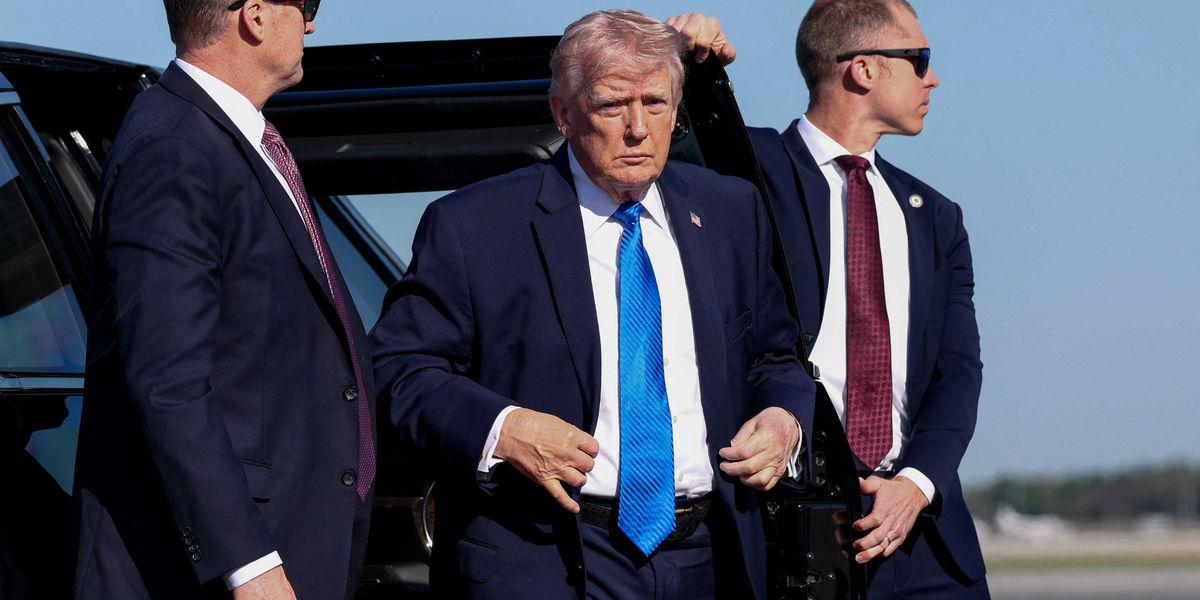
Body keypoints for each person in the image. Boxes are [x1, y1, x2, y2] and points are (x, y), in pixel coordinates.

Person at [370, 9, 815, 599]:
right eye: (611, 106)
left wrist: (784, 421)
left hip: (711, 558)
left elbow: (775, 357)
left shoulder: (731, 211)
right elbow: (397, 370)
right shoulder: (474, 225)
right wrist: (505, 429)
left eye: (654, 103)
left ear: (676, 111)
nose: (637, 128)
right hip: (546, 556)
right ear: (564, 114)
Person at [673, 1, 989, 596]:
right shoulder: (750, 173)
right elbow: (666, 137)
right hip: (790, 525)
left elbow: (958, 374)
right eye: (920, 59)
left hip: (922, 537)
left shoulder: (936, 218)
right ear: (863, 68)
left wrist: (916, 484)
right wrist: (683, 58)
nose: (933, 79)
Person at [70, 1, 378, 598]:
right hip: (215, 574)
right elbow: (167, 380)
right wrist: (249, 563)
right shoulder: (175, 147)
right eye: (307, 4)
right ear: (255, 15)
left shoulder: (231, 140)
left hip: (288, 545)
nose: (312, 23)